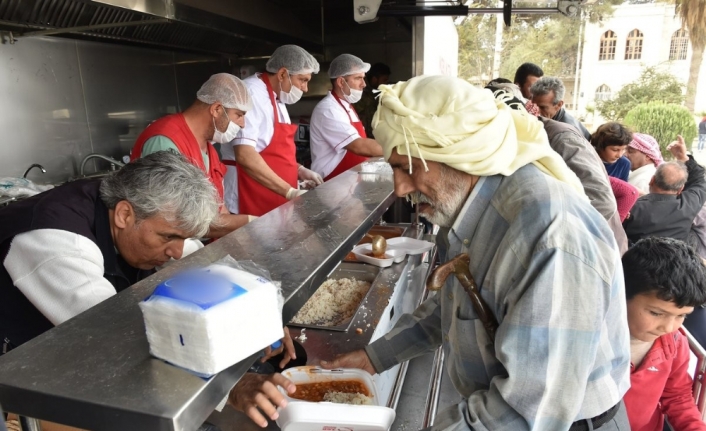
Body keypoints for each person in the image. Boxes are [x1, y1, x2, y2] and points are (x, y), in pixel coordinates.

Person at [322, 75, 631, 430]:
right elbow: (454, 306)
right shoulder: (469, 210)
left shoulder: (549, 233)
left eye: (406, 168)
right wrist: (372, 358)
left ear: (458, 156)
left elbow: (526, 410)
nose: (400, 187)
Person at [486, 83, 628, 253]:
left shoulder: (562, 140)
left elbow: (602, 202)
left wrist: (553, 240)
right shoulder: (522, 138)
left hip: (596, 250)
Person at [131, 73, 253, 237]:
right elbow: (172, 219)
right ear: (216, 109)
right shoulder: (165, 140)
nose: (243, 124)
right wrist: (249, 222)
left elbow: (219, 209)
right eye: (239, 115)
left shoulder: (209, 148)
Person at [221, 45, 323, 216]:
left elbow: (271, 151)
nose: (306, 88)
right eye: (303, 80)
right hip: (250, 195)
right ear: (282, 74)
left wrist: (298, 170)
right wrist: (289, 191)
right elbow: (245, 154)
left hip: (274, 197)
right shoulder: (251, 93)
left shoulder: (278, 98)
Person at [621, 237, 706, 431]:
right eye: (657, 313)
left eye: (682, 316)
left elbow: (677, 395)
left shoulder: (675, 343)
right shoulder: (591, 340)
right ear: (622, 293)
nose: (668, 327)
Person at [309, 54, 383, 180]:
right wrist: (399, 150)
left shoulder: (346, 106)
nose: (364, 84)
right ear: (341, 82)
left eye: (363, 78)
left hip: (349, 179)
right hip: (332, 184)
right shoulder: (328, 109)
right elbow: (359, 146)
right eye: (358, 78)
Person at [623, 135, 706, 244]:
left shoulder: (631, 208)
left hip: (635, 259)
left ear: (652, 180)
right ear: (681, 189)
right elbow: (699, 181)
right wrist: (684, 158)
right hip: (676, 260)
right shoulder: (688, 206)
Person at [530, 76, 592, 141]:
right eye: (533, 105)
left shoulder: (567, 134)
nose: (535, 111)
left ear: (559, 105)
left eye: (542, 107)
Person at [355, 62, 390, 138]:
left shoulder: (381, 92)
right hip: (362, 137)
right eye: (384, 80)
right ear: (374, 79)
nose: (386, 84)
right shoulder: (358, 92)